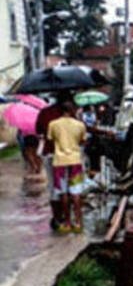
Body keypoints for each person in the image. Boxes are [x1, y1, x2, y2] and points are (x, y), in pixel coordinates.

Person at [46, 99, 87, 234]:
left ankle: (68, 222)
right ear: (72, 111)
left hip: (59, 162)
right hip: (75, 161)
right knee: (76, 193)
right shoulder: (80, 125)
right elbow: (82, 141)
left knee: (63, 193)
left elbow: (50, 140)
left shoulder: (53, 124)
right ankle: (78, 222)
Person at [35, 93, 67, 229]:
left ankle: (57, 217)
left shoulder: (45, 112)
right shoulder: (69, 113)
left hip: (49, 153)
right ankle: (65, 216)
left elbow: (38, 130)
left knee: (54, 186)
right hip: (66, 154)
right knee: (65, 185)